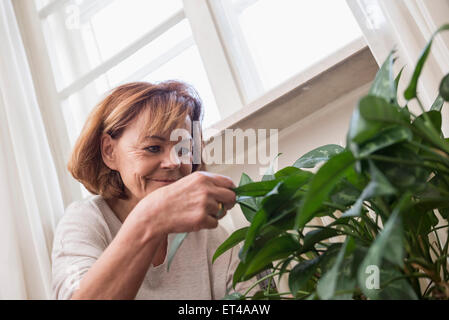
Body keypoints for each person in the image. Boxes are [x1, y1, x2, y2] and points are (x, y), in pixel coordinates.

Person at [51, 81, 257, 299]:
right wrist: (151, 218)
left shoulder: (209, 235)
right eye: (153, 148)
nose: (174, 162)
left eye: (183, 149)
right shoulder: (85, 222)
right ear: (109, 151)